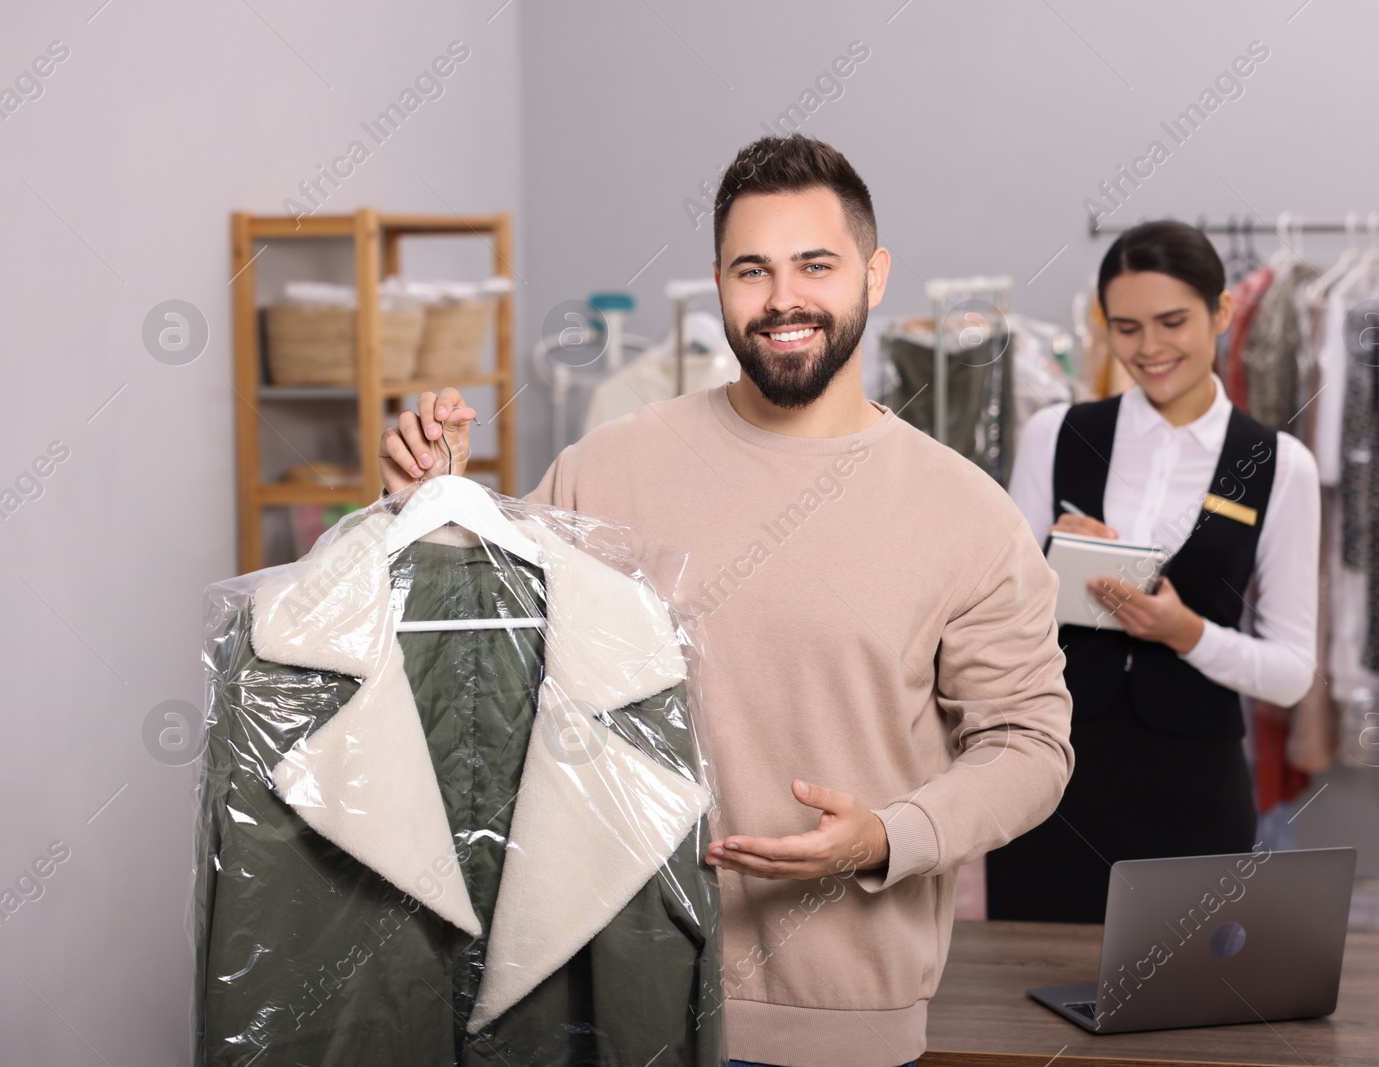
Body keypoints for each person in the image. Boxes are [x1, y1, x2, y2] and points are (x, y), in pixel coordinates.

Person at [378, 134, 1073, 1067]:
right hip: (605, 1007)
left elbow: (1030, 746)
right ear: (717, 283)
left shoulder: (967, 514)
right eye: (754, 270)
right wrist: (430, 506)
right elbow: (483, 650)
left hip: (836, 1031)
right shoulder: (606, 467)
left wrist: (885, 838)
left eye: (815, 265)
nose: (784, 298)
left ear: (874, 275)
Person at [985, 219, 1319, 923]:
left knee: (1185, 1021)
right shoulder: (1055, 433)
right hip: (1053, 777)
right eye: (1127, 327)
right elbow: (997, 622)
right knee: (1018, 1013)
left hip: (1194, 793)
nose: (1150, 348)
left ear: (1223, 312)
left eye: (1173, 322)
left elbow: (1291, 673)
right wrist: (1056, 563)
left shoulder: (1281, 465)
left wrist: (1188, 631)